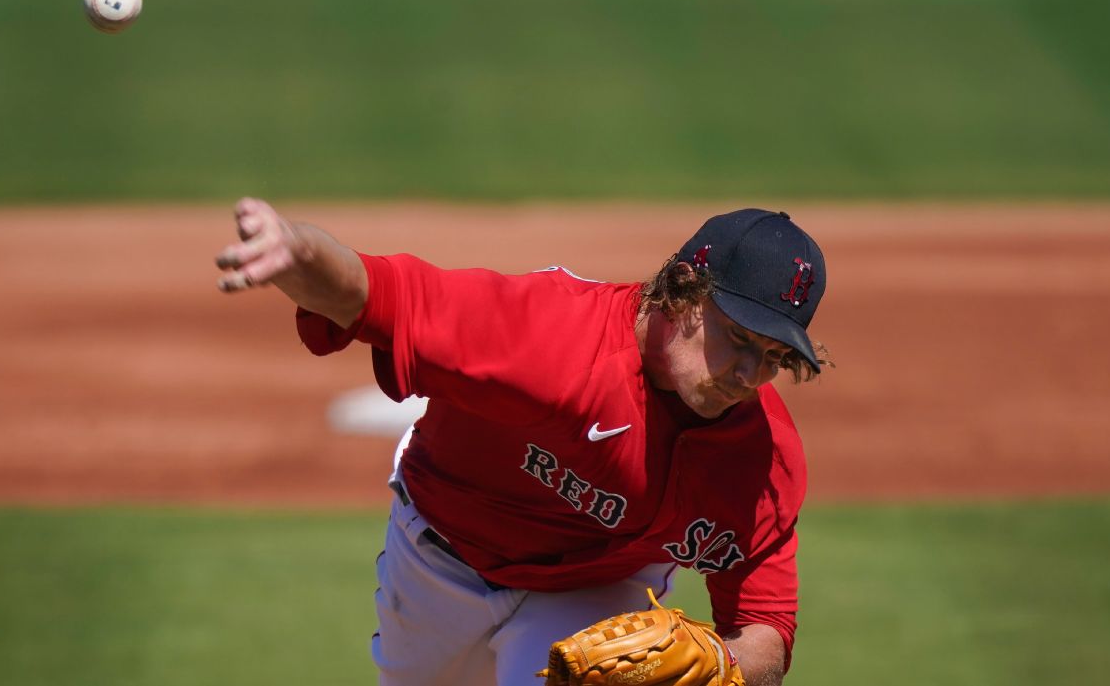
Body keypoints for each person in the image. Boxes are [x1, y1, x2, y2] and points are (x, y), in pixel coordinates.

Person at [215, 198, 830, 686]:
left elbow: (765, 629)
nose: (750, 375)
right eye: (740, 338)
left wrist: (722, 669)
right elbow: (378, 296)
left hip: (596, 592)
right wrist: (299, 254)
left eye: (774, 357)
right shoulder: (549, 339)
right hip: (441, 559)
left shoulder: (761, 459)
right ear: (684, 288)